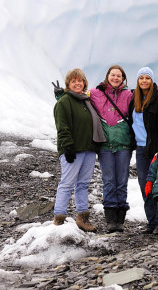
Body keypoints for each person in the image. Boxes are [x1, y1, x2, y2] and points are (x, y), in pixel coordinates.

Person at [53, 68, 106, 232]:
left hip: (88, 149)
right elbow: (62, 127)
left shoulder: (86, 101)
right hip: (72, 150)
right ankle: (59, 219)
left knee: (83, 184)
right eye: (74, 81)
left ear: (84, 83)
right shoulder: (64, 102)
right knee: (67, 184)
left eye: (80, 80)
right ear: (68, 84)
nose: (77, 83)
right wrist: (67, 146)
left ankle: (82, 218)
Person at [88, 65, 133, 233]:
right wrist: (61, 95)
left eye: (119, 76)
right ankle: (110, 221)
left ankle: (120, 221)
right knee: (108, 182)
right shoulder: (95, 93)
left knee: (121, 182)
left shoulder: (128, 95)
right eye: (113, 75)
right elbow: (78, 97)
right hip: (106, 145)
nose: (115, 78)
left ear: (123, 79)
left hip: (124, 145)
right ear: (107, 76)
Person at [128, 67, 158, 234]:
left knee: (157, 187)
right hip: (140, 149)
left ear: (152, 80)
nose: (144, 81)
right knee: (145, 186)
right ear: (137, 81)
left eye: (147, 78)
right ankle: (152, 222)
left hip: (155, 150)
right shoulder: (134, 100)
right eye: (141, 78)